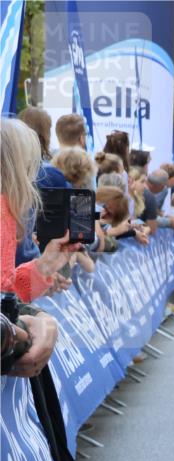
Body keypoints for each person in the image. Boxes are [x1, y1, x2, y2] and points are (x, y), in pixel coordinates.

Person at [0, 118, 75, 376]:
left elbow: (7, 291)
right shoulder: (4, 212)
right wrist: (17, 330)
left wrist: (43, 266)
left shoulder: (8, 213)